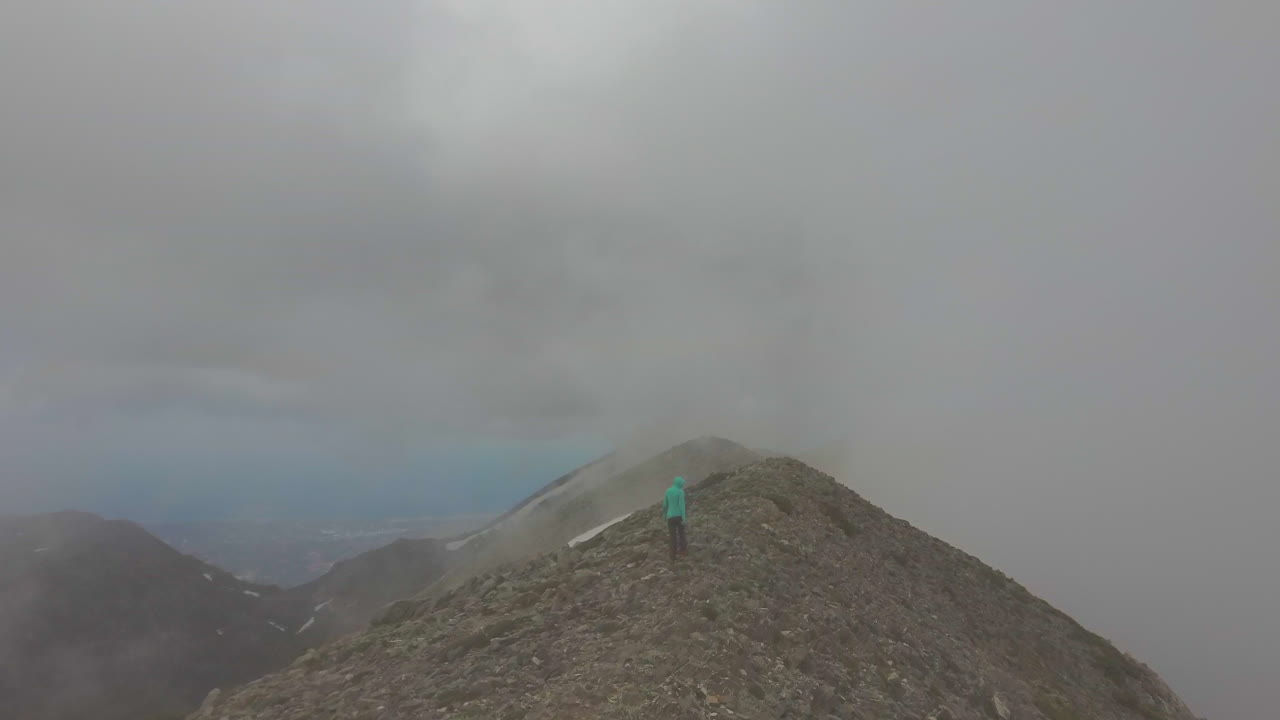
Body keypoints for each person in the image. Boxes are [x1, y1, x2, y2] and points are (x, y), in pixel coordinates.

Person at [662, 476, 688, 562]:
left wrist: (664, 515)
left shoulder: (668, 491)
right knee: (681, 534)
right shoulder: (680, 492)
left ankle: (672, 557)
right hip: (679, 516)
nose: (682, 485)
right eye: (682, 484)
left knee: (672, 537)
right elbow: (682, 506)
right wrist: (684, 518)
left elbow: (665, 505)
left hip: (670, 517)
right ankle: (683, 552)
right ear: (679, 483)